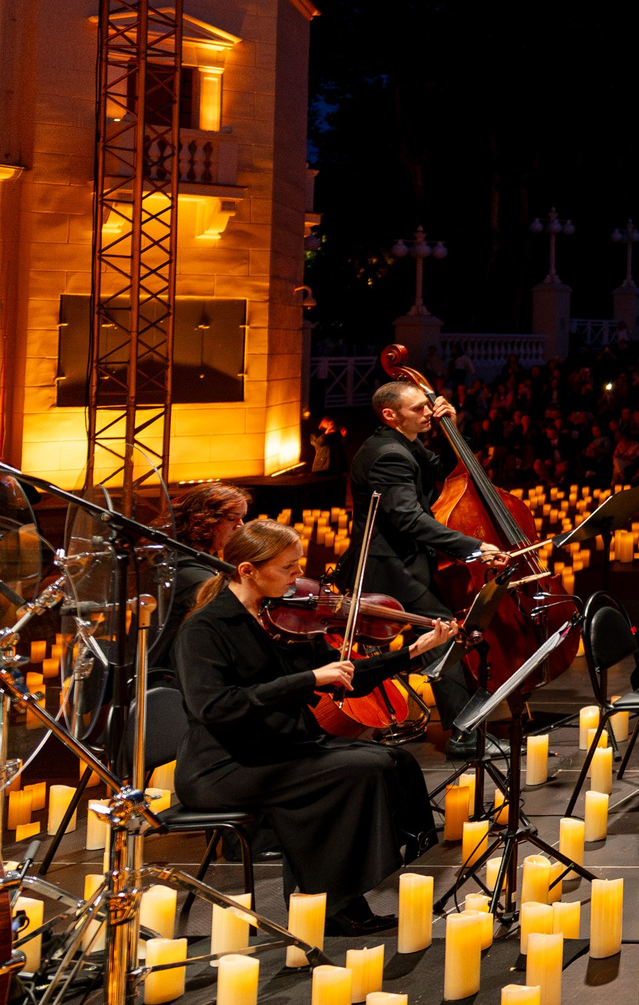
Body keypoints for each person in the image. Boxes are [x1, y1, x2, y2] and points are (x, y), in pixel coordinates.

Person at [175, 520, 458, 935]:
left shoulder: (280, 618)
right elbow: (216, 707)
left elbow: (343, 675)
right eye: (289, 568)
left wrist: (410, 653)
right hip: (225, 765)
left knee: (393, 760)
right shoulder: (205, 628)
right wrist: (309, 680)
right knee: (359, 770)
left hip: (280, 746)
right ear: (248, 570)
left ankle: (334, 894)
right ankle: (333, 906)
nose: (298, 577)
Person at [349, 379, 507, 743]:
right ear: (390, 414)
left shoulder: (403, 443)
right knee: (444, 635)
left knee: (445, 634)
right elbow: (409, 519)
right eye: (418, 408)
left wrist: (455, 431)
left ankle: (464, 727)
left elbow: (439, 470)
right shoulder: (389, 454)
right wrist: (474, 547)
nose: (429, 413)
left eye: (428, 405)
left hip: (404, 562)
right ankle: (462, 736)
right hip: (389, 568)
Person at [147, 482, 249, 683]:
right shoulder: (185, 570)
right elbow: (232, 607)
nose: (241, 526)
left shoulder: (195, 561)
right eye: (232, 518)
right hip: (165, 684)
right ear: (202, 520)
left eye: (242, 518)